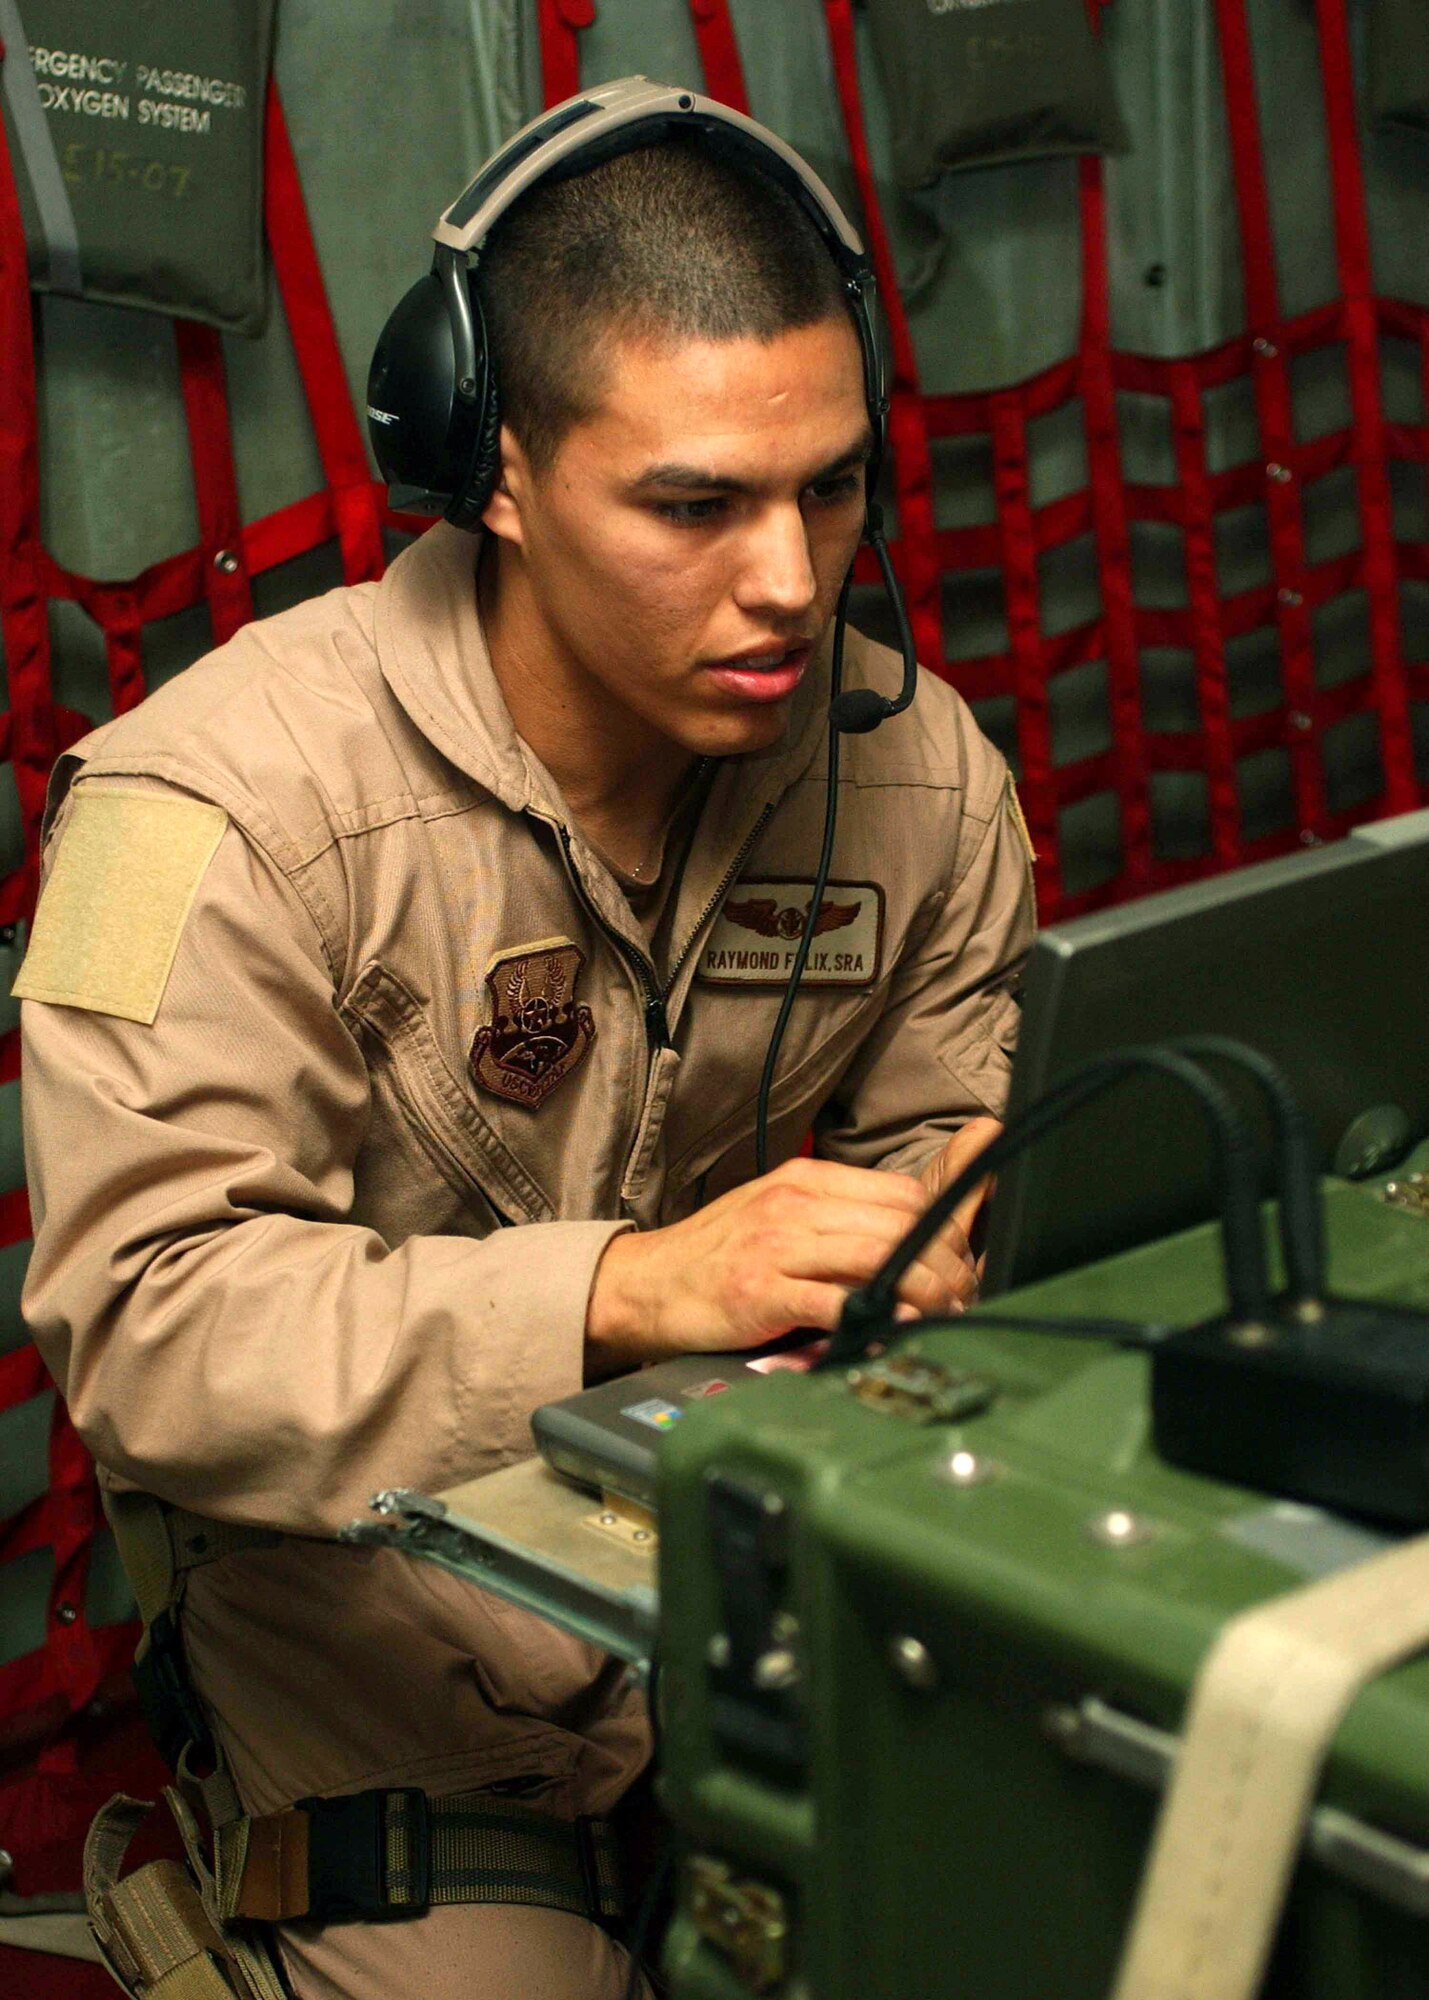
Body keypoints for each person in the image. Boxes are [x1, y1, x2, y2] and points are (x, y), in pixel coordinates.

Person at [15, 106, 1034, 2000]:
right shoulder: (194, 806)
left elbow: (952, 1155)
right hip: (408, 1677)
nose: (792, 582)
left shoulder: (919, 770)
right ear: (487, 466)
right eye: (694, 505)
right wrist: (625, 1294)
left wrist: (930, 1237)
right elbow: (149, 1334)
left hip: (790, 1582)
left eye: (829, 489)